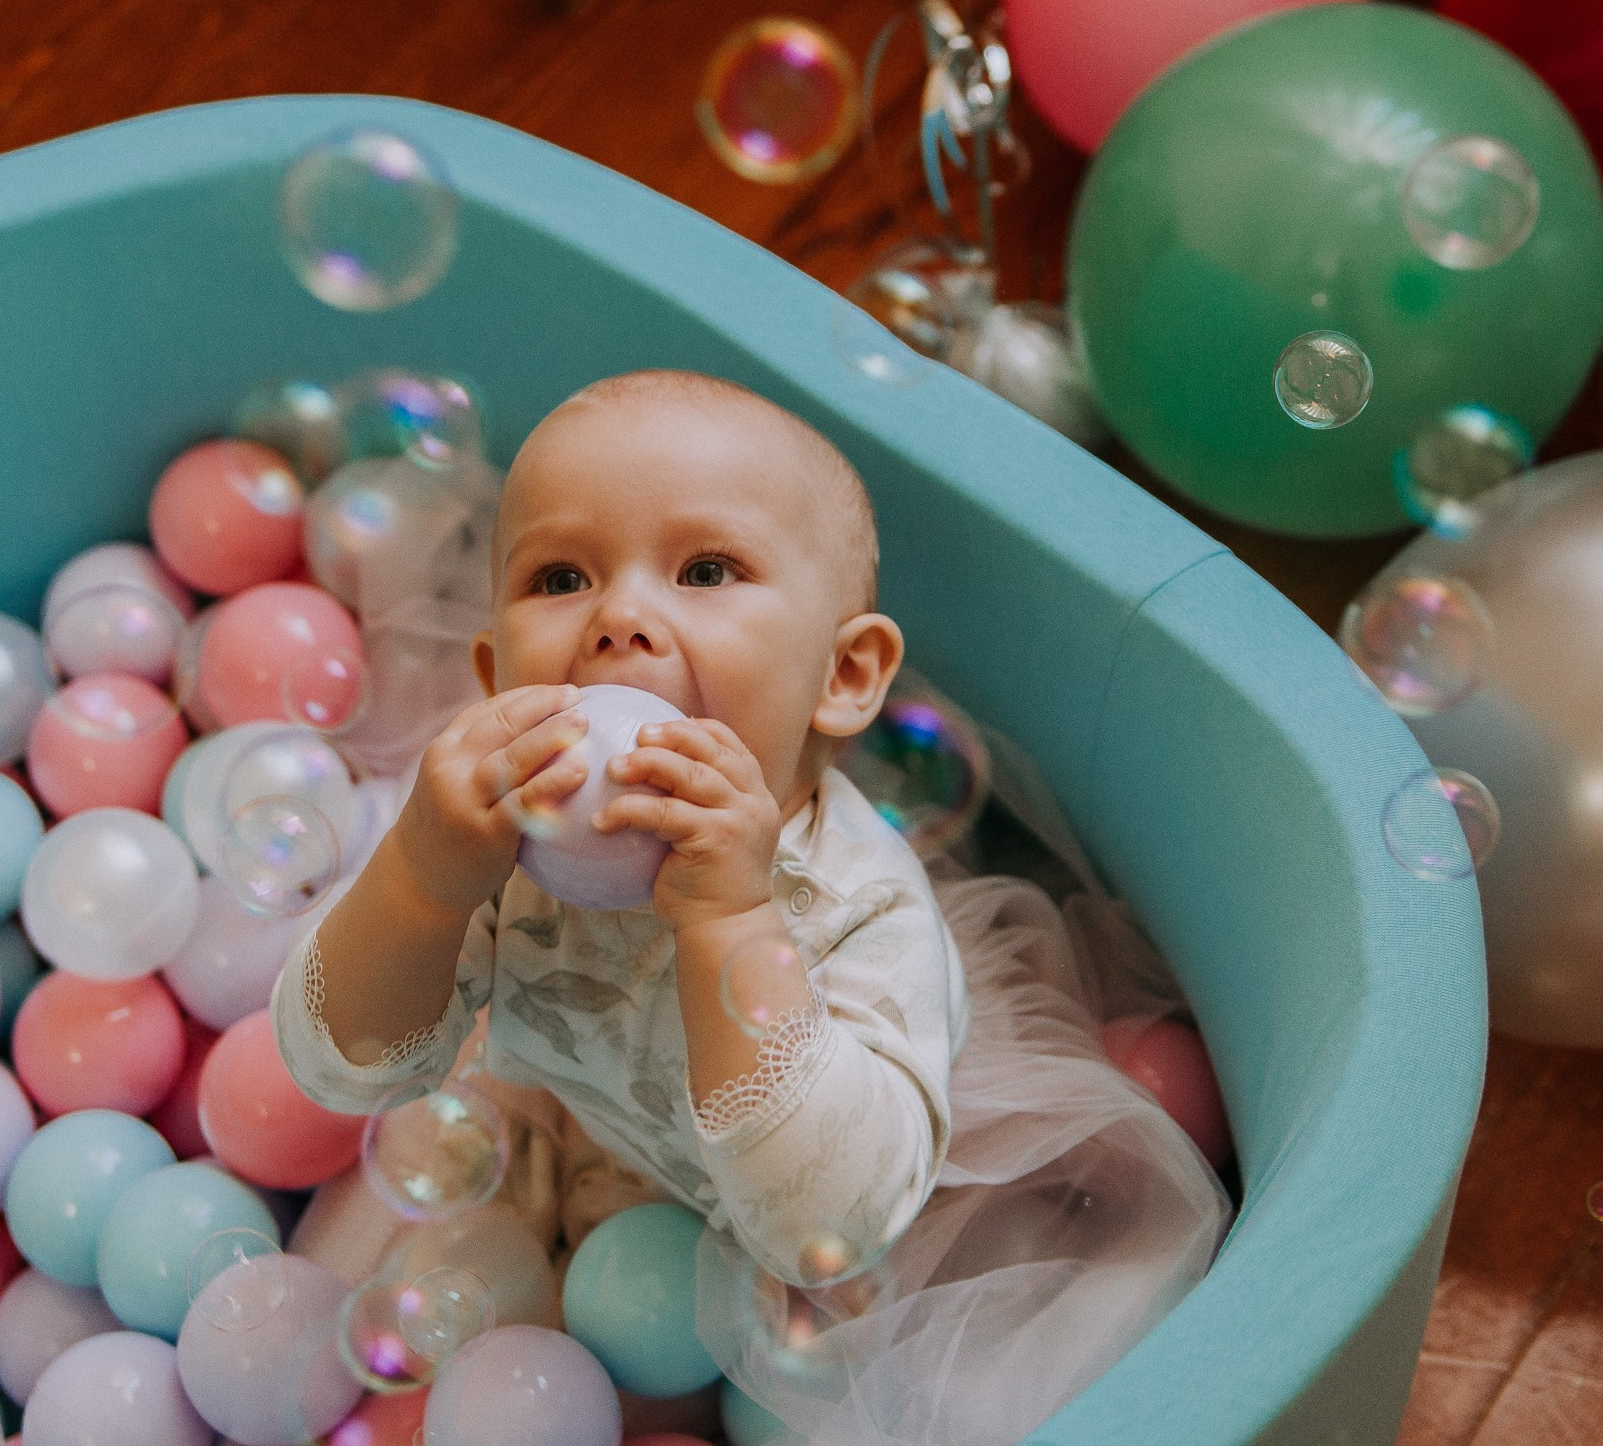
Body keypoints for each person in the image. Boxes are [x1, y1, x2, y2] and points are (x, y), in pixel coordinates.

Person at [274, 369, 1226, 1445]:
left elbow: (830, 1222)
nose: (621, 617)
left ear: (844, 674)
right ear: (496, 679)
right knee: (408, 1286)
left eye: (706, 568)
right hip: (575, 1111)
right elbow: (343, 1066)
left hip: (820, 1183)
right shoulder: (501, 844)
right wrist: (420, 880)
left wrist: (729, 922)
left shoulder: (860, 910)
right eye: (560, 576)